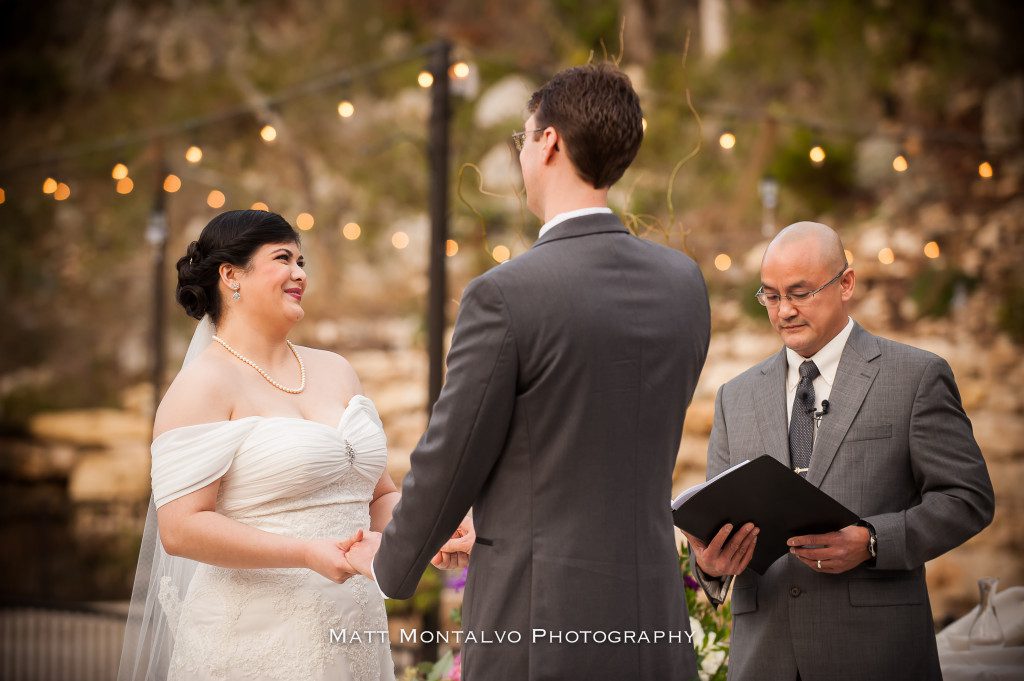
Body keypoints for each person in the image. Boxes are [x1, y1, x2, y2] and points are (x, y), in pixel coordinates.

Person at [341, 63, 710, 681]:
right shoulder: (684, 284)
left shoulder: (506, 295)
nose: (521, 156)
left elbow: (451, 455)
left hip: (542, 625)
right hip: (655, 619)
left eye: (523, 139)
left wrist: (391, 561)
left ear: (549, 143)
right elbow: (594, 442)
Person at [117, 209, 469, 680]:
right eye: (283, 259)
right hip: (254, 639)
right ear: (231, 275)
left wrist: (432, 532)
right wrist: (305, 552)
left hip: (354, 627)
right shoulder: (201, 386)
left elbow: (378, 495)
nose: (300, 273)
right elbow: (181, 529)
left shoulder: (336, 370)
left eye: (301, 262)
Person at [685, 222, 995, 681]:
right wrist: (710, 565)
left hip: (877, 658)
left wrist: (872, 541)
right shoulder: (735, 395)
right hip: (763, 661)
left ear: (845, 283)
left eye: (800, 293)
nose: (784, 310)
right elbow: (716, 521)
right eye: (771, 296)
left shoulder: (916, 376)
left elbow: (969, 499)